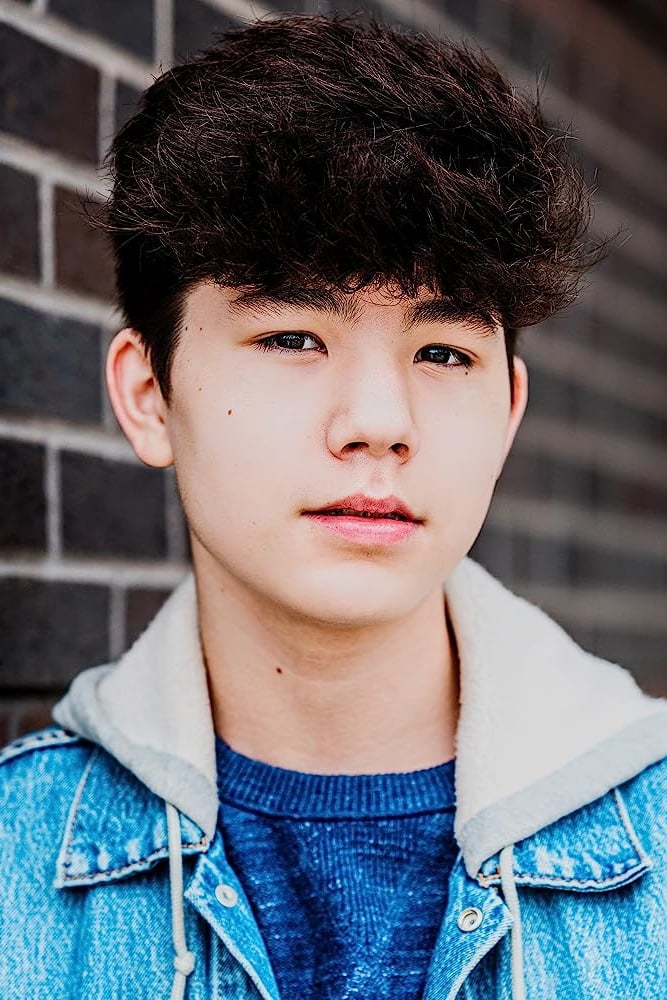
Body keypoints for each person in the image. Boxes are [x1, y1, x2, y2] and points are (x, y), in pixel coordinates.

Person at [1, 13, 665, 1000]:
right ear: (148, 395)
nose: (379, 423)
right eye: (292, 338)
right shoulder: (17, 857)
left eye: (443, 353)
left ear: (508, 412)